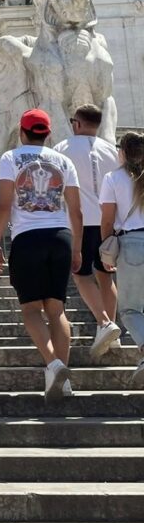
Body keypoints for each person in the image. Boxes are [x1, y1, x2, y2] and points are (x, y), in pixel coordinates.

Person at [0, 109, 83, 401]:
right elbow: (76, 210)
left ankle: (53, 363)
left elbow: (5, 204)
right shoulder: (64, 161)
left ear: (22, 131)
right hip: (61, 237)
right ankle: (62, 380)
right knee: (57, 310)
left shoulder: (10, 158)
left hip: (27, 238)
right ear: (48, 133)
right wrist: (77, 247)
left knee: (31, 309)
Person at [55, 104, 122, 359]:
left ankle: (105, 322)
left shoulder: (62, 148)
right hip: (109, 222)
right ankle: (109, 332)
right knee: (105, 276)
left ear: (77, 123)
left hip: (79, 223)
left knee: (81, 275)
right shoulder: (112, 151)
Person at [100, 131, 144, 385]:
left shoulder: (113, 178)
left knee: (129, 309)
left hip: (131, 245)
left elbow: (107, 219)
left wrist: (106, 249)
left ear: (123, 152)